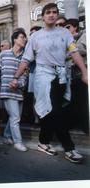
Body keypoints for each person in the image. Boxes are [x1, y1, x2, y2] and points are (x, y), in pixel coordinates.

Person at [10, 3, 88, 163]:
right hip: (43, 77)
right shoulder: (35, 37)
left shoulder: (65, 33)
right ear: (42, 16)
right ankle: (69, 148)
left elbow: (74, 53)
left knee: (51, 112)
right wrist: (16, 77)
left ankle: (43, 142)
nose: (51, 15)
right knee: (55, 112)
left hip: (60, 76)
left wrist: (85, 73)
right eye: (48, 13)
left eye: (54, 12)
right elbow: (26, 60)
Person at [0, 30, 28, 152]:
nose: (24, 39)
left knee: (14, 117)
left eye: (25, 37)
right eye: (22, 37)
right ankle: (18, 142)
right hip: (6, 92)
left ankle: (7, 136)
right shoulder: (3, 54)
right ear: (15, 40)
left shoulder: (25, 57)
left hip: (19, 92)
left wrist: (19, 83)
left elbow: (25, 76)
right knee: (15, 117)